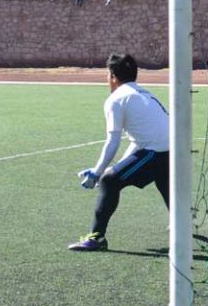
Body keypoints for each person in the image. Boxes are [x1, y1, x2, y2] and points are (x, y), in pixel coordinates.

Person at [70, 54, 170, 251]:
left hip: (156, 151)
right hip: (174, 150)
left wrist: (98, 173)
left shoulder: (116, 99)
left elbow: (113, 141)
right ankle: (181, 223)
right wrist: (114, 167)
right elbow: (140, 139)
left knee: (109, 181)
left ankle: (96, 238)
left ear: (113, 76)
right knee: (162, 180)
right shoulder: (145, 93)